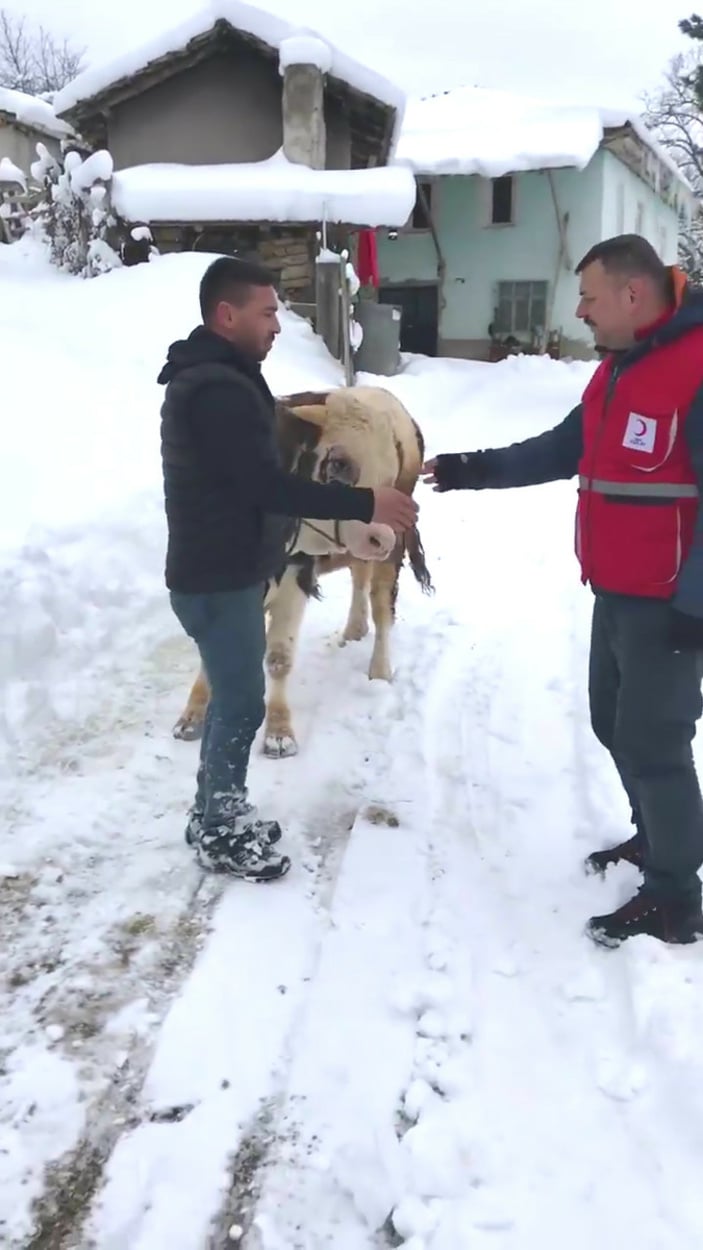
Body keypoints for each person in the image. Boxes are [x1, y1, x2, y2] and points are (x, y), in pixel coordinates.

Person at [423, 234, 703, 946]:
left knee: (654, 742)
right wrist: (468, 470)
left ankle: (676, 896)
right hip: (617, 591)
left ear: (631, 296)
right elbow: (562, 447)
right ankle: (655, 839)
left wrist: (694, 609)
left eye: (586, 295)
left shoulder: (694, 367)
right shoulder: (618, 370)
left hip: (671, 606)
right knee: (614, 724)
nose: (576, 310)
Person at [159, 256, 418, 883]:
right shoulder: (219, 390)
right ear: (227, 314)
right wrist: (364, 502)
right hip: (218, 579)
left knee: (234, 698)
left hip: (225, 570)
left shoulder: (224, 377)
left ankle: (212, 812)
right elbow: (261, 486)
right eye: (268, 311)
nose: (278, 323)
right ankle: (221, 828)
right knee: (242, 703)